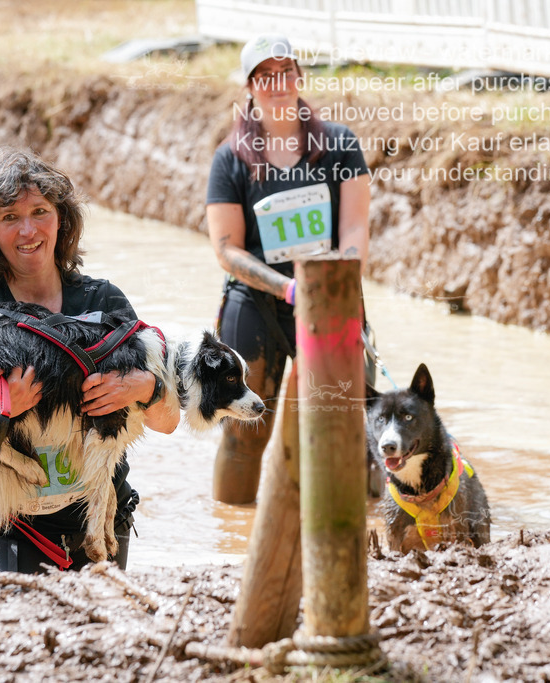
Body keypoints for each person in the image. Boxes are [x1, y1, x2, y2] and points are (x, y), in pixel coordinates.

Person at [0, 147, 179, 573]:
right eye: (9, 217)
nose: (28, 230)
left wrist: (145, 388)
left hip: (98, 516)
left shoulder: (103, 301)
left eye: (40, 211)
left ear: (62, 219)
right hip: (3, 525)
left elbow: (167, 422)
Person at [206, 35, 372, 504]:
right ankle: (232, 532)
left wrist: (334, 285)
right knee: (244, 433)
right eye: (265, 75)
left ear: (299, 77)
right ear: (250, 87)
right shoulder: (230, 159)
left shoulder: (339, 144)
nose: (277, 84)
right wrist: (288, 288)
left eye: (286, 72)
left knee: (343, 425)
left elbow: (355, 227)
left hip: (330, 299)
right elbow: (227, 249)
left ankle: (354, 524)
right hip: (254, 305)